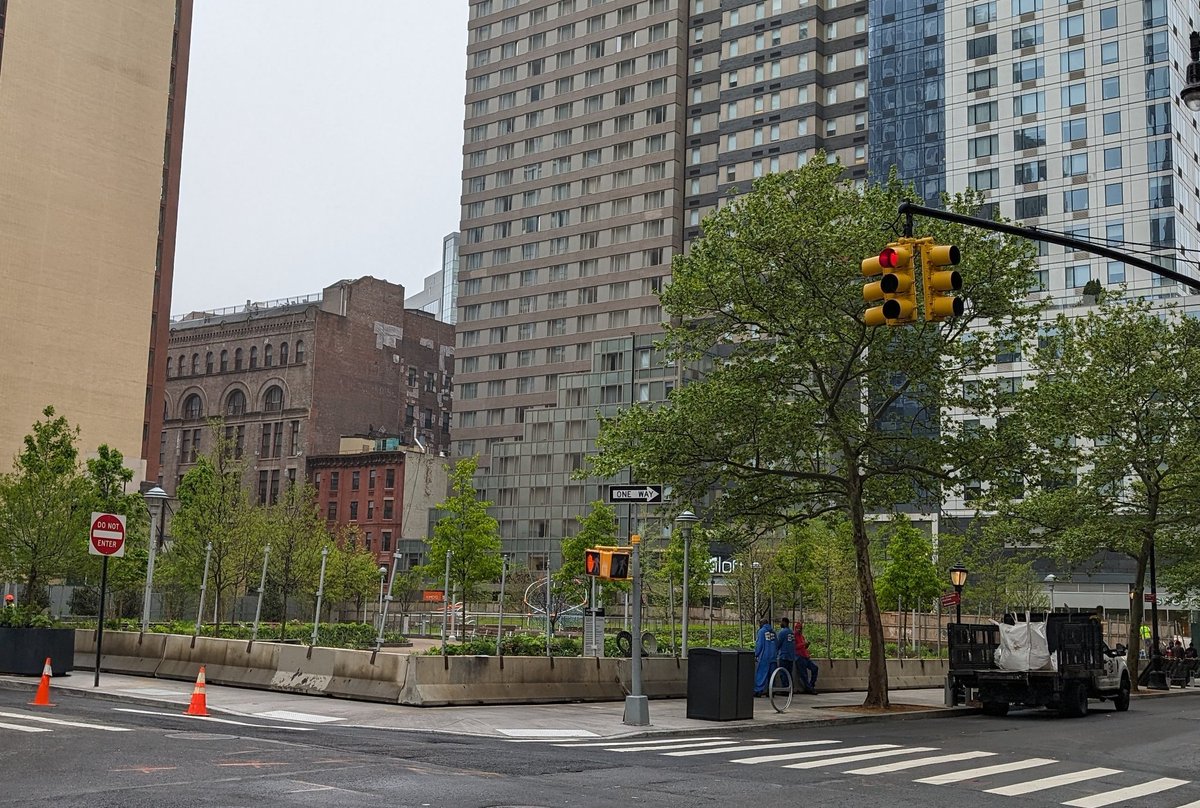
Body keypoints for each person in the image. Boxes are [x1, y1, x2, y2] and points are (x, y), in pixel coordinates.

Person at [753, 618, 777, 697]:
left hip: (764, 656)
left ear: (762, 623)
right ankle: (771, 691)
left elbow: (759, 645)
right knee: (772, 675)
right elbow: (776, 643)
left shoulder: (761, 631)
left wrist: (756, 654)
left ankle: (758, 691)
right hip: (773, 656)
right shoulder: (773, 632)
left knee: (761, 674)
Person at [794, 621, 819, 695]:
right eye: (798, 628)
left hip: (805, 656)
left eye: (800, 628)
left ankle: (811, 685)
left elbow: (803, 646)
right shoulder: (794, 636)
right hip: (799, 656)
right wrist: (803, 644)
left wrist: (806, 645)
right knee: (804, 674)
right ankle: (809, 688)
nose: (799, 629)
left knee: (815, 668)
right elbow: (795, 647)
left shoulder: (802, 636)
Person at [775, 617, 797, 690]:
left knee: (783, 673)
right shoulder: (791, 632)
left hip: (784, 656)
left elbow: (778, 644)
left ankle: (785, 689)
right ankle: (790, 689)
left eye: (781, 622)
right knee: (789, 674)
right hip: (791, 656)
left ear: (784, 622)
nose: (780, 624)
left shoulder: (782, 632)